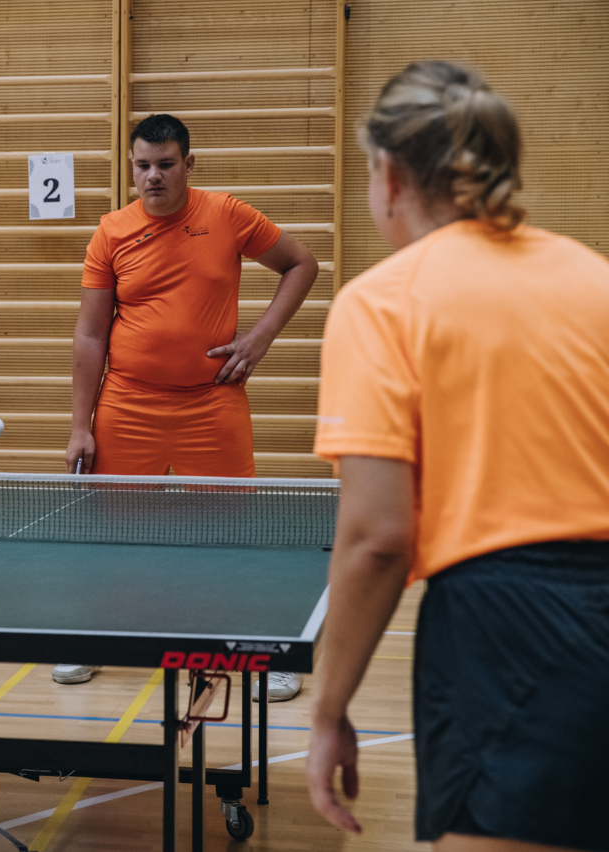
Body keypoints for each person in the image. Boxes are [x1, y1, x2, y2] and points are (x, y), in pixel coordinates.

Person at [306, 61, 609, 851]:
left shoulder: (381, 303)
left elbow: (378, 538)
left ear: (390, 176)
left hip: (515, 635)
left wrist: (329, 709)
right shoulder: (598, 278)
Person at [57, 113, 319, 695]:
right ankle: (94, 637)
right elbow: (90, 335)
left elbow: (302, 264)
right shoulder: (110, 232)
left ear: (188, 164)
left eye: (165, 165)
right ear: (131, 168)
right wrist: (80, 425)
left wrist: (260, 338)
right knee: (110, 532)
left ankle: (254, 648)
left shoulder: (227, 215)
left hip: (211, 402)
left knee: (230, 533)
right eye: (142, 166)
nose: (153, 176)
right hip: (129, 402)